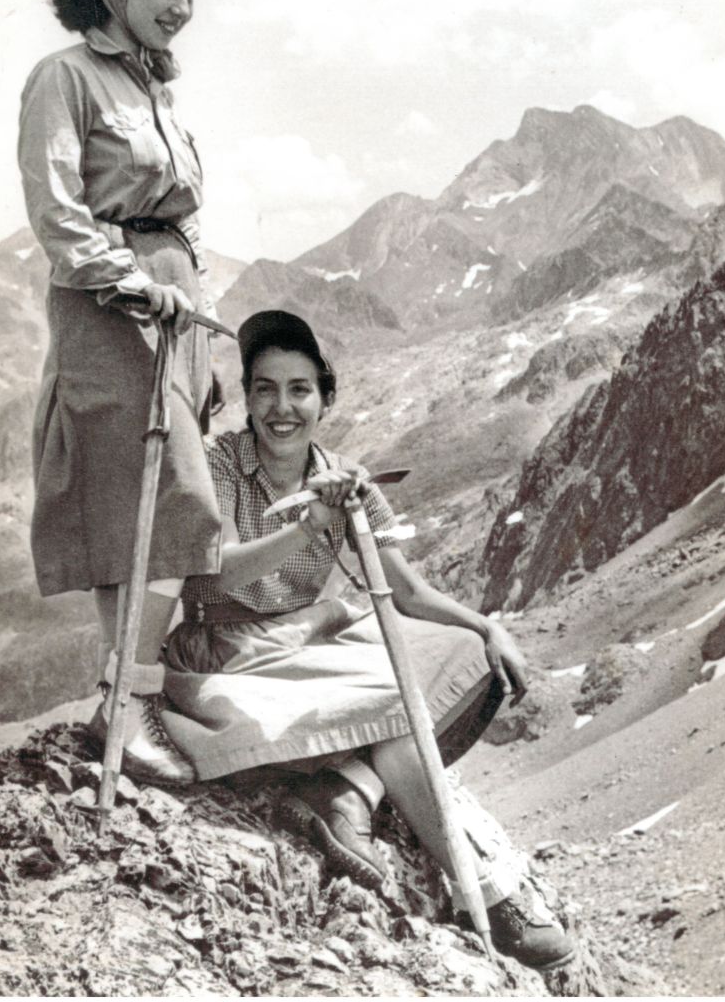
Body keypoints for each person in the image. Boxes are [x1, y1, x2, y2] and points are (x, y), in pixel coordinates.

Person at [160, 310, 576, 971]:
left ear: (325, 399)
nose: (281, 407)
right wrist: (309, 525)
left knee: (468, 656)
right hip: (231, 650)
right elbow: (209, 575)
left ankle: (350, 786)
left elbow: (407, 592)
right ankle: (488, 896)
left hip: (310, 637)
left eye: (299, 389)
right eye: (265, 389)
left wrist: (486, 625)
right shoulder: (219, 464)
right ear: (248, 398)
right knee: (397, 704)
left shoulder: (344, 475)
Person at [18, 0, 239, 786]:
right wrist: (132, 282)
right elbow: (56, 211)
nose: (183, 7)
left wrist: (200, 316)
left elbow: (182, 220)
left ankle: (131, 697)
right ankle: (127, 701)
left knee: (157, 515)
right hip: (111, 310)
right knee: (157, 506)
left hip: (173, 311)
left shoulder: (156, 91)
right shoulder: (64, 77)